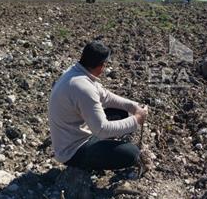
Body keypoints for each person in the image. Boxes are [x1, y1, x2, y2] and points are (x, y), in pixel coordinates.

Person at [48, 40, 148, 171]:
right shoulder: (83, 88)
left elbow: (105, 96)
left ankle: (108, 146)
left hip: (75, 134)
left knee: (121, 112)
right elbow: (102, 129)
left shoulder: (77, 73)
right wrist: (136, 120)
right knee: (132, 153)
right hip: (72, 151)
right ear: (101, 66)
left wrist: (133, 106)